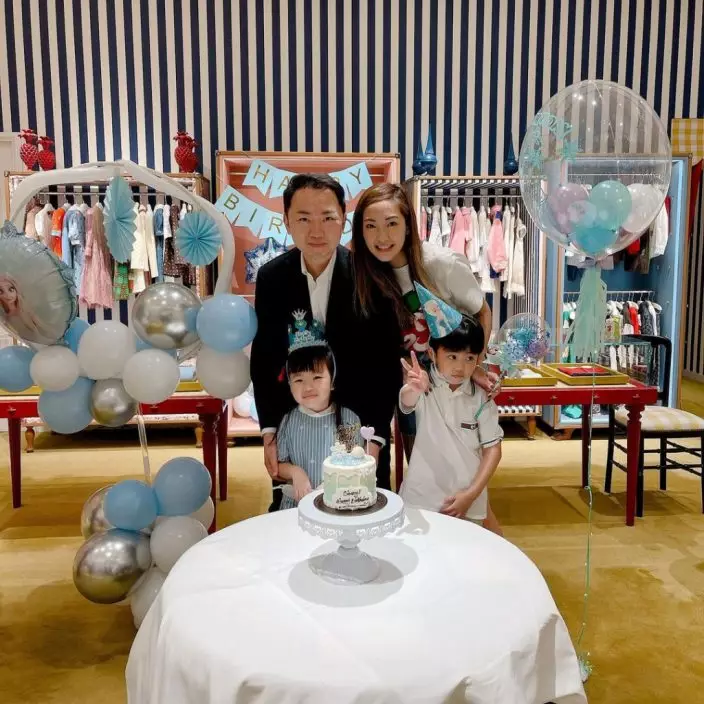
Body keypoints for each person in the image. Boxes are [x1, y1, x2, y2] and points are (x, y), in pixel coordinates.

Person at [251, 174, 401, 510]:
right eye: (304, 219)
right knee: (297, 511)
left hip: (358, 424)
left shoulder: (372, 275)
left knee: (358, 505)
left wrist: (376, 438)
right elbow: (264, 359)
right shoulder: (272, 278)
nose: (316, 231)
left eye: (328, 218)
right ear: (286, 221)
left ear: (344, 220)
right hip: (298, 425)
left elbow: (386, 364)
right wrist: (270, 431)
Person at [351, 182, 496, 459]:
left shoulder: (442, 264)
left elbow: (482, 312)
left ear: (408, 226)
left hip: (452, 389)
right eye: (370, 226)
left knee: (462, 468)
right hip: (412, 390)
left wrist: (475, 364)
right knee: (420, 468)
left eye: (391, 223)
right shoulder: (366, 275)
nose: (382, 236)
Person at [399, 309, 503, 534]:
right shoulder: (425, 384)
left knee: (466, 552)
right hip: (421, 498)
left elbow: (493, 449)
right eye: (452, 356)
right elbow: (407, 401)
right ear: (432, 353)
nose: (460, 367)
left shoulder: (481, 396)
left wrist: (471, 495)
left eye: (469, 358)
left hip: (466, 500)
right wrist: (414, 387)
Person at [275, 325, 362, 510]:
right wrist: (295, 472)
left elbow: (356, 463)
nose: (308, 387)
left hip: (337, 504)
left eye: (317, 377)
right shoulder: (288, 420)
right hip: (296, 506)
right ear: (289, 384)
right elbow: (280, 464)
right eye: (299, 380)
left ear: (332, 381)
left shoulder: (348, 419)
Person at [0, 274, 50, 342]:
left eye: (11, 289)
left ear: (16, 289)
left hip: (41, 341)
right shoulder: (6, 319)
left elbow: (42, 326)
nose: (7, 295)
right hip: (31, 342)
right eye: (1, 291)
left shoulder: (25, 310)